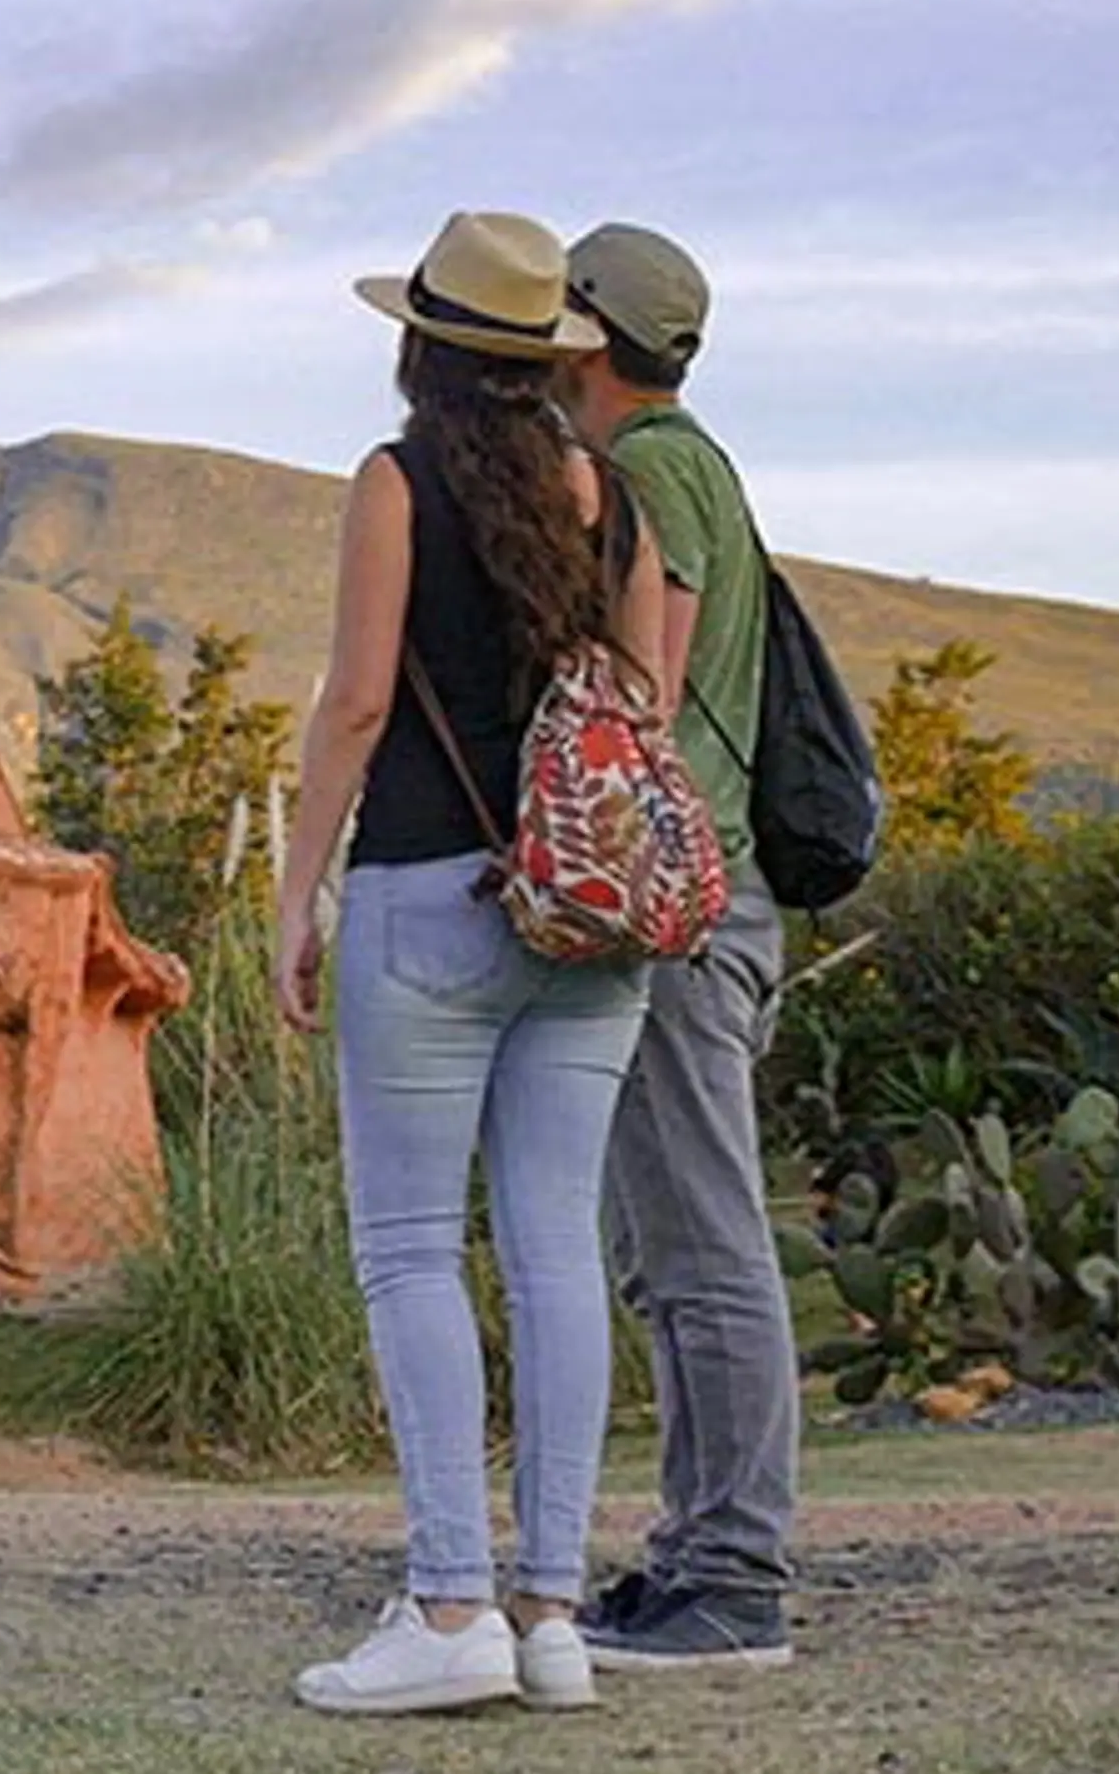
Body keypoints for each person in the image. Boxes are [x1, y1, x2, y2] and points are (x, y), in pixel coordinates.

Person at [271, 210, 666, 1717]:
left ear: (420, 344)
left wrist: (295, 895)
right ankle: (554, 1615)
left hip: (430, 898)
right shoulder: (618, 500)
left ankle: (451, 1605)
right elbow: (640, 714)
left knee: (411, 1250)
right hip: (588, 916)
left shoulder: (398, 480)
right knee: (557, 1247)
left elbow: (357, 703)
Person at [560, 223, 800, 1673]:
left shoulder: (652, 472)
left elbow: (639, 689)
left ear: (587, 336)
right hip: (708, 899)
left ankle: (736, 1578)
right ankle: (695, 1554)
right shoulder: (690, 461)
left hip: (681, 906)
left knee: (703, 1245)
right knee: (668, 1246)